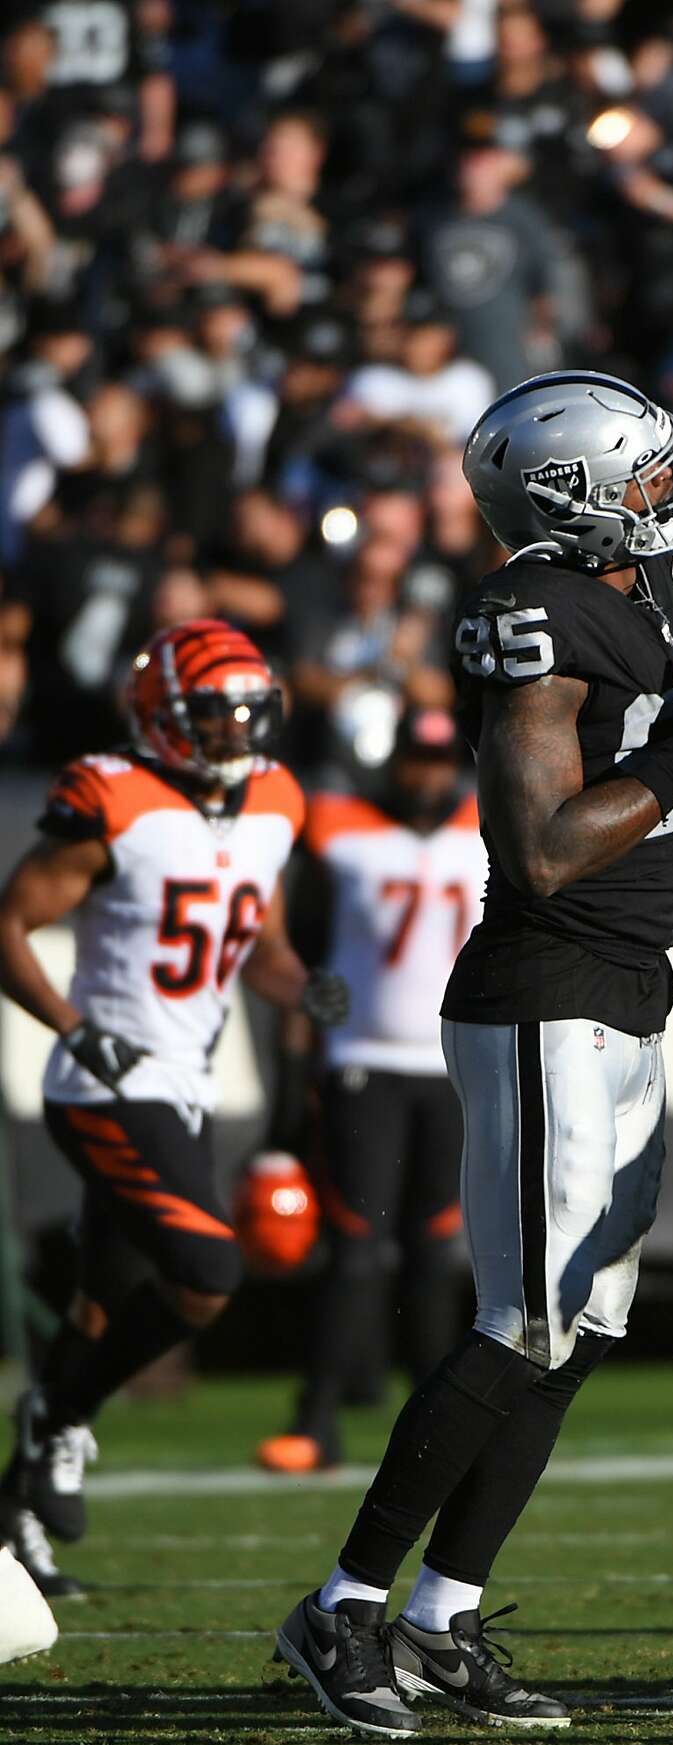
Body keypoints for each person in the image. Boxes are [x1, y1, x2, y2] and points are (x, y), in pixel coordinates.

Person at [274, 79, 673, 1742]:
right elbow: (542, 844)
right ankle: (342, 1611)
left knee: (585, 1322)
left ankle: (450, 1620)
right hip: (546, 977)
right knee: (529, 1315)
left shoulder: (640, 560)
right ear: (581, 499)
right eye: (649, 470)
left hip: (621, 988)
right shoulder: (538, 615)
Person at [0, 619, 349, 1594]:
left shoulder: (276, 798)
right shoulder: (111, 795)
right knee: (206, 1271)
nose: (237, 732)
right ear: (160, 718)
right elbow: (10, 925)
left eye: (248, 711)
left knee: (103, 1307)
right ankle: (60, 1419)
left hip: (185, 1085)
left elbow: (261, 945)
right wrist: (72, 1028)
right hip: (108, 1084)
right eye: (213, 714)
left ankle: (8, 1522)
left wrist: (300, 986)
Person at [258, 705, 485, 1472]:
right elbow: (302, 947)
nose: (427, 776)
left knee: (433, 1252)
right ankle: (315, 1419)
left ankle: (434, 1429)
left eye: (439, 760)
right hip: (361, 1063)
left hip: (452, 1067)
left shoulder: (487, 822)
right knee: (355, 1248)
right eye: (416, 760)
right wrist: (293, 1082)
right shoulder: (338, 828)